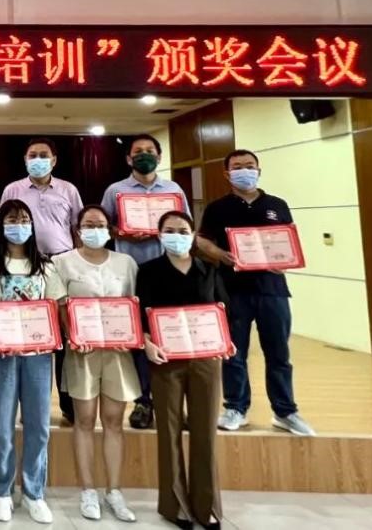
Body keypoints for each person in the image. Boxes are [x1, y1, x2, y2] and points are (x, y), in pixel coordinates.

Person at [196, 150, 314, 437]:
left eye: (249, 166)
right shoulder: (217, 207)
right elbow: (201, 240)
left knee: (279, 354)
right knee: (234, 353)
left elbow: (288, 240)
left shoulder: (277, 205)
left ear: (259, 170)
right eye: (237, 167)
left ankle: (285, 411)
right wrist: (220, 255)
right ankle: (236, 408)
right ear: (227, 174)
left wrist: (286, 260)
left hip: (273, 291)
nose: (244, 171)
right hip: (232, 290)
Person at [136, 211, 231, 530]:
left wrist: (226, 342)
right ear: (159, 235)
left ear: (192, 236)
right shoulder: (148, 271)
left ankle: (208, 505)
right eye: (169, 230)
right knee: (169, 430)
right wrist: (147, 343)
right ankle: (174, 504)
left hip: (206, 359)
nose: (176, 235)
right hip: (165, 360)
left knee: (205, 432)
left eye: (182, 230)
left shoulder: (209, 269)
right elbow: (141, 314)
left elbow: (222, 310)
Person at [0, 199, 63, 525]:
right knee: (1, 426)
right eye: (11, 220)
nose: (18, 225)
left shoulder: (46, 266)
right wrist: (3, 335)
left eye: (24, 219)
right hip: (1, 354)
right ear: (1, 225)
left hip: (38, 356)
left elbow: (55, 306)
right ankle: (2, 491)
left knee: (38, 425)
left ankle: (34, 492)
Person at [53, 206, 138, 522]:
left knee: (114, 421)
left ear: (110, 230)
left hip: (118, 352)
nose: (94, 230)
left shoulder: (126, 263)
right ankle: (88, 490)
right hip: (82, 353)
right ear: (77, 230)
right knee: (84, 419)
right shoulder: (62, 262)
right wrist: (72, 333)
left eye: (100, 224)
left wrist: (130, 333)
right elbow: (60, 307)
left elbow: (133, 305)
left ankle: (114, 491)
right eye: (88, 224)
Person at [101, 133, 191, 430]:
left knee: (171, 334)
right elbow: (104, 227)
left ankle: (175, 402)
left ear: (159, 156)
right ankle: (143, 401)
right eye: (138, 151)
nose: (144, 155)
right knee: (140, 338)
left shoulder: (174, 189)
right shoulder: (116, 190)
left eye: (150, 150)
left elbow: (186, 226)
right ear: (128, 158)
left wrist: (165, 234)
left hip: (169, 271)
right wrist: (123, 232)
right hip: (131, 273)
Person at [0, 137, 83, 424]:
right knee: (30, 335)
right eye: (32, 155)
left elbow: (77, 229)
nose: (38, 159)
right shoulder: (13, 190)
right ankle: (29, 407)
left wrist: (77, 262)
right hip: (24, 265)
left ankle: (68, 406)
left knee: (63, 334)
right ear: (25, 160)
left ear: (54, 160)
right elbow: (4, 226)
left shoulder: (68, 190)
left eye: (43, 155)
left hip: (62, 263)